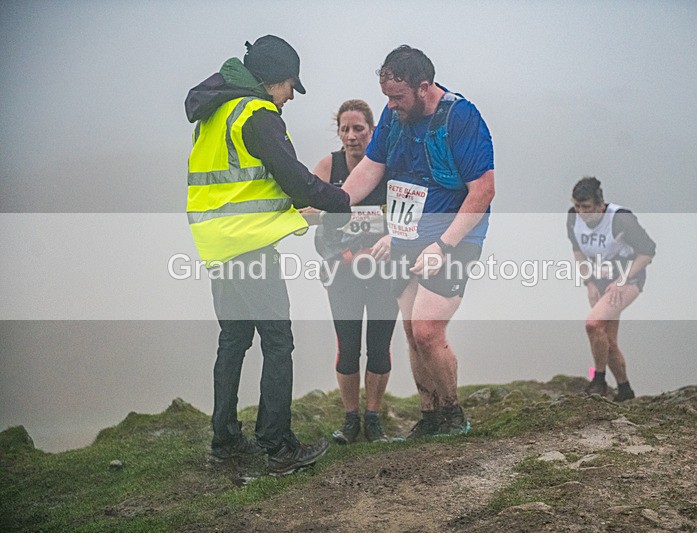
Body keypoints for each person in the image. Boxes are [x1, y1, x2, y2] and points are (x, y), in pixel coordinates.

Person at [184, 34, 352, 474]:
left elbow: (244, 184)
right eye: (290, 87)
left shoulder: (218, 111)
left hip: (218, 245)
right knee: (278, 341)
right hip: (250, 247)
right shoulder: (257, 115)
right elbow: (295, 179)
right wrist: (339, 201)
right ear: (274, 80)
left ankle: (225, 440)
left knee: (234, 339)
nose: (290, 97)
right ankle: (277, 446)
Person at [340, 46, 495, 438]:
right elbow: (370, 170)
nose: (390, 107)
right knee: (411, 330)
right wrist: (333, 202)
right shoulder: (395, 118)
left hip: (453, 236)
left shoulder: (461, 118)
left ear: (423, 87)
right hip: (407, 235)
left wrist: (443, 245)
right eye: (386, 97)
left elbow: (483, 192)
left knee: (427, 329)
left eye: (398, 97)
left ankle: (454, 415)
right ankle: (430, 416)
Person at [300, 100, 399, 444]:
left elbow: (406, 218)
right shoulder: (329, 165)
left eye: (359, 128)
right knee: (347, 345)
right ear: (338, 132)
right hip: (342, 271)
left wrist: (385, 244)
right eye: (345, 128)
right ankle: (349, 420)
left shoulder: (388, 167)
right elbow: (316, 222)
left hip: (386, 269)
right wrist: (344, 254)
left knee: (380, 346)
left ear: (372, 130)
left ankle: (373, 418)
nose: (352, 136)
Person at [567, 177, 656, 402]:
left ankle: (598, 380)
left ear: (600, 205)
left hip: (627, 280)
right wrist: (588, 282)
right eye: (577, 206)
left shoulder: (620, 219)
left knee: (593, 324)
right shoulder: (572, 218)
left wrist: (623, 280)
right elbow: (577, 251)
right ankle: (625, 390)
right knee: (606, 338)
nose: (581, 212)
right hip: (598, 281)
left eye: (586, 207)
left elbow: (648, 252)